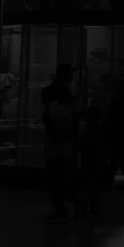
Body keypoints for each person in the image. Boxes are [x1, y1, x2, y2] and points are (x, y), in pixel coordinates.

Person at [40, 63, 78, 223]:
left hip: (55, 142)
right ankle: (77, 202)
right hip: (65, 142)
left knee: (55, 177)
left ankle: (61, 208)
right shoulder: (67, 96)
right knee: (65, 176)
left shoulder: (48, 94)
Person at [103, 75, 124, 190]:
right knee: (118, 157)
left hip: (117, 133)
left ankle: (110, 181)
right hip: (119, 133)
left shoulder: (118, 101)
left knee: (115, 158)